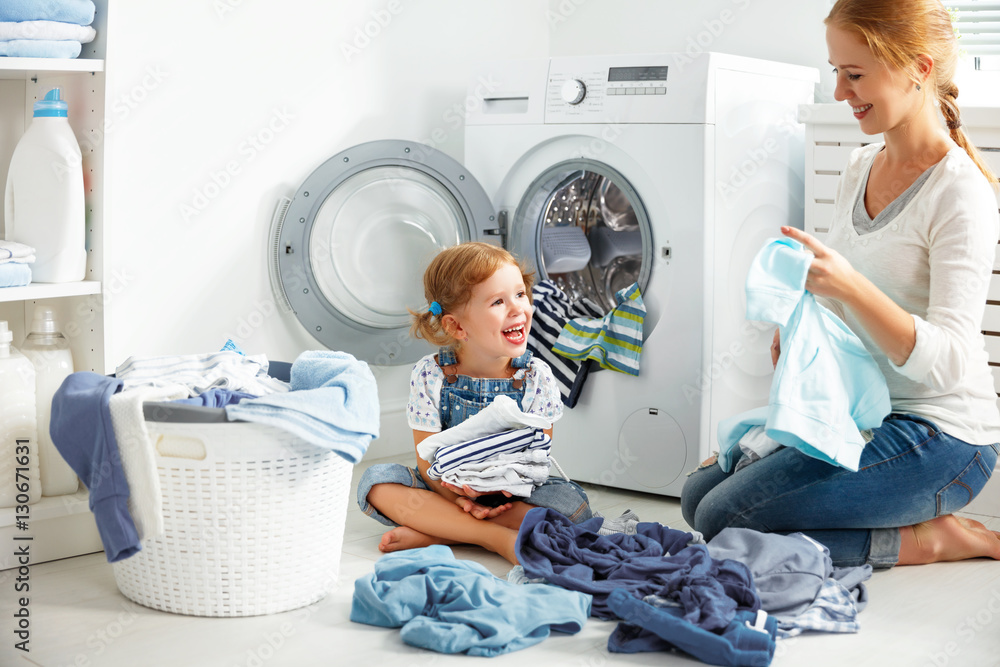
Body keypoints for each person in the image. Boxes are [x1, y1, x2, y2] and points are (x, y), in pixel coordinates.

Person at [682, 0, 1000, 569]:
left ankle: (932, 540)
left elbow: (950, 361)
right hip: (864, 412)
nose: (839, 93)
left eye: (855, 75)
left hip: (943, 438)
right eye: (836, 72)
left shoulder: (960, 193)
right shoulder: (859, 166)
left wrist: (850, 287)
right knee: (694, 499)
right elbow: (838, 296)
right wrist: (802, 322)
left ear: (919, 69)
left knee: (719, 522)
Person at [357, 241, 592, 564]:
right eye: (498, 301)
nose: (517, 309)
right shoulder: (432, 375)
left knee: (572, 508)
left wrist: (500, 492)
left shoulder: (537, 376)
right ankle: (493, 537)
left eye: (520, 294)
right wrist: (460, 499)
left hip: (516, 491)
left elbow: (537, 458)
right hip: (446, 488)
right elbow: (427, 463)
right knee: (376, 482)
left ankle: (440, 532)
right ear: (456, 326)